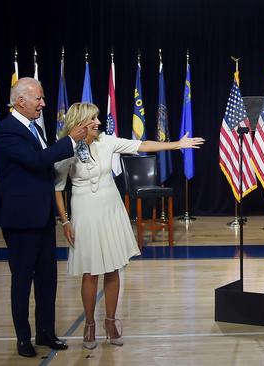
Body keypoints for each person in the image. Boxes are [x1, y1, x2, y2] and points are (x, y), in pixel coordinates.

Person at [53, 102, 204, 349]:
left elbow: (142, 145)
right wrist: (66, 221)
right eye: (94, 120)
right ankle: (89, 324)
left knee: (113, 269)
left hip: (110, 209)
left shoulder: (107, 142)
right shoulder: (65, 149)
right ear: (81, 122)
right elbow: (58, 189)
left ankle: (110, 322)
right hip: (84, 212)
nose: (99, 123)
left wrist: (177, 144)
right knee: (90, 271)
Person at [0, 78, 92, 357]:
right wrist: (71, 140)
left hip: (42, 217)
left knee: (47, 279)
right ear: (21, 101)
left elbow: (44, 166)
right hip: (21, 221)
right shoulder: (6, 131)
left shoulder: (34, 127)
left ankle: (45, 332)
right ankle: (23, 338)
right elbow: (38, 162)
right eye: (39, 98)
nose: (43, 104)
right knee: (22, 281)